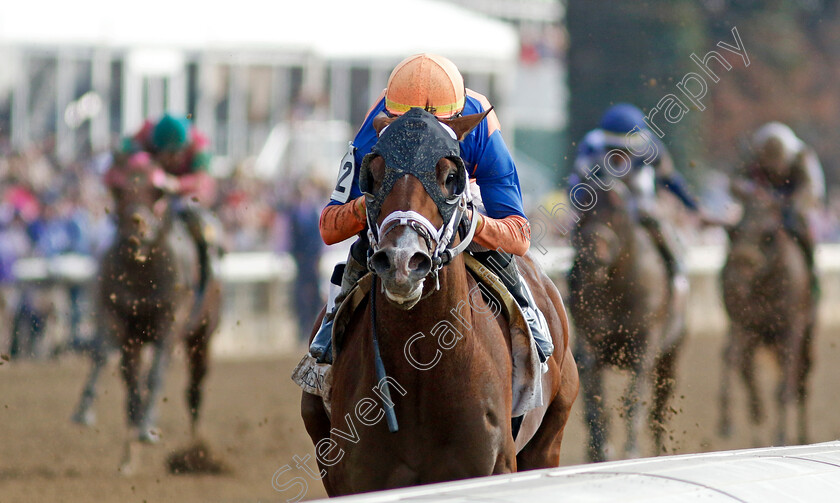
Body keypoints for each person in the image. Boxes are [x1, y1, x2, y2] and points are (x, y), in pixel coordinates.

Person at [309, 53, 552, 365]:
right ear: (390, 119)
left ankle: (528, 317)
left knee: (499, 253)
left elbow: (518, 236)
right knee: (363, 247)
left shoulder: (481, 126)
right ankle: (330, 334)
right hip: (394, 212)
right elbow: (330, 227)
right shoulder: (374, 127)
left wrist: (469, 218)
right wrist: (369, 202)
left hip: (459, 202)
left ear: (456, 121)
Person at [570, 103, 717, 285]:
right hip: (602, 206)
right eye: (615, 150)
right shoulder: (591, 147)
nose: (620, 156)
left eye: (626, 151)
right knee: (582, 230)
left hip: (638, 202)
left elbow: (670, 180)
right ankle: (573, 278)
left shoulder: (651, 148)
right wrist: (579, 209)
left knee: (661, 227)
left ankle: (676, 272)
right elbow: (576, 184)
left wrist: (693, 207)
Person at [106, 114, 220, 300]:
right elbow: (113, 170)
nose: (168, 159)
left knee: (200, 222)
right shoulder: (141, 135)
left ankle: (206, 279)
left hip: (185, 193)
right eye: (164, 153)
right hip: (150, 191)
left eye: (174, 154)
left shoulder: (200, 146)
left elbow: (203, 181)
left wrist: (175, 184)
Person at [745, 122, 825, 294]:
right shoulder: (753, 157)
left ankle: (812, 274)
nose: (774, 167)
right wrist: (754, 194)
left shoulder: (803, 157)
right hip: (764, 204)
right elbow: (736, 183)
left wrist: (788, 204)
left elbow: (811, 190)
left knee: (801, 230)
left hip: (793, 202)